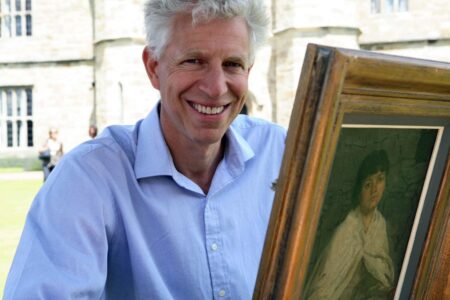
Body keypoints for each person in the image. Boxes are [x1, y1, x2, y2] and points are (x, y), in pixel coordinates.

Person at [4, 1, 286, 299]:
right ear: (154, 67)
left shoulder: (283, 155)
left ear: (248, 70)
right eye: (194, 61)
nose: (216, 87)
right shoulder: (89, 178)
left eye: (232, 64)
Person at [303, 149, 395, 300]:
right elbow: (323, 288)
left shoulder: (379, 224)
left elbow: (384, 278)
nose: (374, 190)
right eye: (367, 184)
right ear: (358, 190)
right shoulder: (347, 229)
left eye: (380, 179)